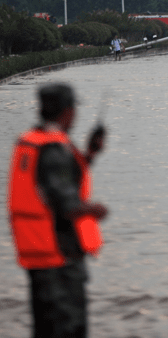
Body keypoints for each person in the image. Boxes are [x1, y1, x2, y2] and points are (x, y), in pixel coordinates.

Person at [7, 83, 108, 338]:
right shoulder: (54, 150)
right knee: (67, 328)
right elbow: (65, 202)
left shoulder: (30, 141)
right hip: (60, 256)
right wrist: (94, 210)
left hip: (38, 253)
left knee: (45, 328)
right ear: (66, 111)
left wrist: (89, 154)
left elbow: (52, 185)